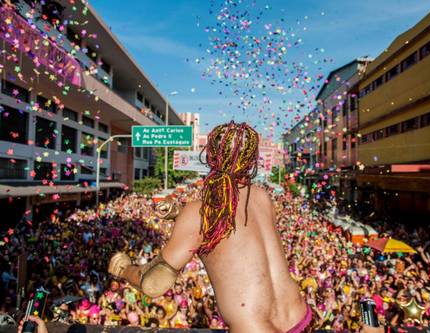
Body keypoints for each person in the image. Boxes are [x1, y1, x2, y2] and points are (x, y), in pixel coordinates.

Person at [109, 121, 311, 333]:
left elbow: (153, 284)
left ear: (210, 156)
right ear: (252, 160)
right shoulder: (261, 196)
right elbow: (237, 226)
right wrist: (179, 213)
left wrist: (124, 269)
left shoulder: (199, 213)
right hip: (299, 319)